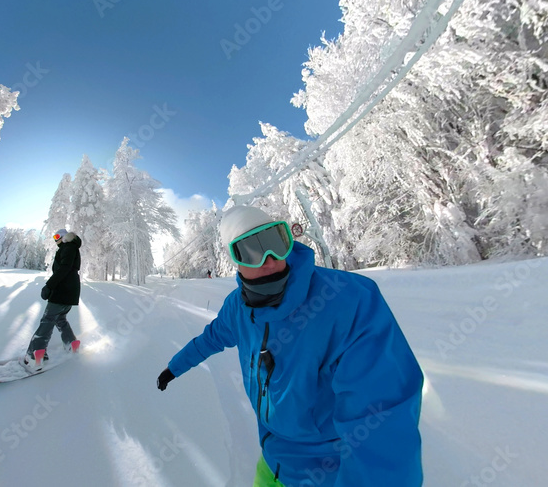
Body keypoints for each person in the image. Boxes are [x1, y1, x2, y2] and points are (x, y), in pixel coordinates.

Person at [156, 206, 423, 486]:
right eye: (252, 250)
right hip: (272, 459)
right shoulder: (237, 307)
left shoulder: (349, 301)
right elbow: (210, 339)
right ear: (235, 259)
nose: (270, 260)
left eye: (275, 242)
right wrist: (173, 368)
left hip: (327, 471)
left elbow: (381, 421)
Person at [24, 229, 82, 373]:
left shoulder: (68, 247)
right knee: (60, 319)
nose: (55, 239)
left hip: (62, 291)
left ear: (64, 238)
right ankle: (71, 343)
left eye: (57, 236)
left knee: (47, 320)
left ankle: (35, 355)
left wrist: (49, 285)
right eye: (54, 236)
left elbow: (64, 268)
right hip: (70, 292)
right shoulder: (71, 247)